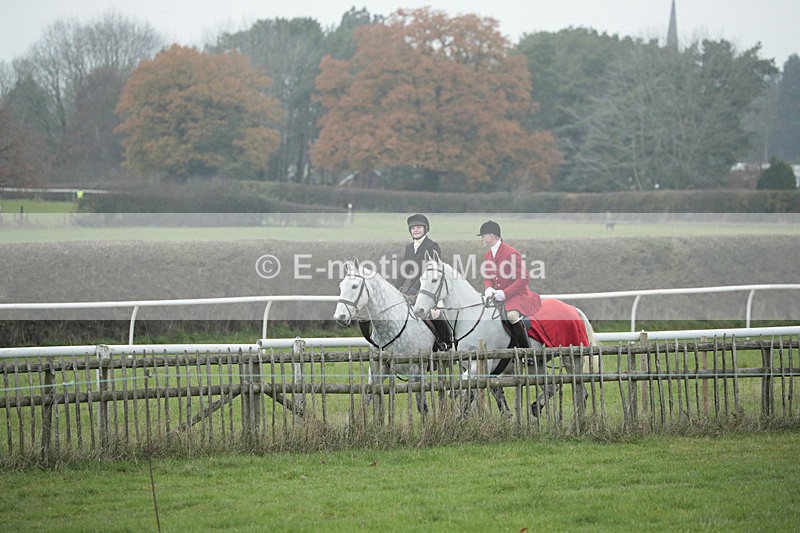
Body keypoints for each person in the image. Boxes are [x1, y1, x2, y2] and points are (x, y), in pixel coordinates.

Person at [478, 220, 542, 349]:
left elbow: (524, 278)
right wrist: (489, 288)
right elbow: (488, 276)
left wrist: (504, 293)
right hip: (497, 296)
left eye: (483, 236)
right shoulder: (488, 255)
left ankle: (527, 351)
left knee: (512, 316)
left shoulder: (511, 253)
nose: (482, 239)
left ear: (491, 236)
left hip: (516, 295)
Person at [394, 213, 452, 350]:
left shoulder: (432, 246)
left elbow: (428, 273)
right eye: (413, 228)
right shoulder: (409, 247)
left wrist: (414, 291)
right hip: (412, 291)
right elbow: (405, 270)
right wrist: (396, 289)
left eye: (419, 227)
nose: (416, 230)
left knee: (434, 313)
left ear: (425, 229)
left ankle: (446, 341)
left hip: (430, 289)